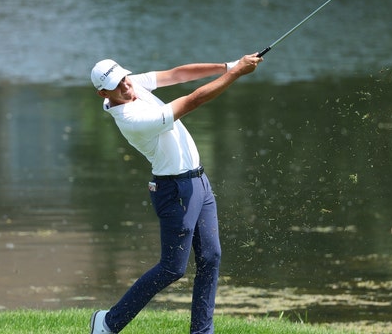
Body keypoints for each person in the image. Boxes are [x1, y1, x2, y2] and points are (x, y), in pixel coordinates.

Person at [88, 53, 263, 334]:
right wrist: (235, 75)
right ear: (102, 93)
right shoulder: (132, 118)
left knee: (210, 256)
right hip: (175, 191)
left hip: (199, 182)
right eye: (116, 84)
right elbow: (193, 100)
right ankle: (108, 322)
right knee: (172, 268)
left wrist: (227, 65)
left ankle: (202, 331)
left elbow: (178, 74)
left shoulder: (133, 85)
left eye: (123, 77)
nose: (125, 85)